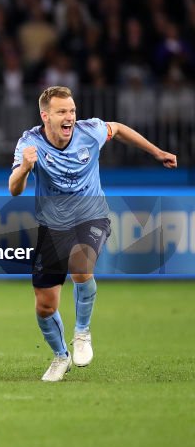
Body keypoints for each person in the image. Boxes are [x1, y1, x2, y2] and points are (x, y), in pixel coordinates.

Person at [9, 86, 177, 382]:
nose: (70, 117)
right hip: (52, 226)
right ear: (45, 116)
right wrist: (25, 167)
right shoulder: (30, 142)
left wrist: (157, 152)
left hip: (92, 215)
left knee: (81, 264)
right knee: (45, 305)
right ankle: (61, 356)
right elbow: (14, 188)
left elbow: (119, 129)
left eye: (72, 110)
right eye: (62, 112)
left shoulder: (91, 132)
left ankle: (82, 332)